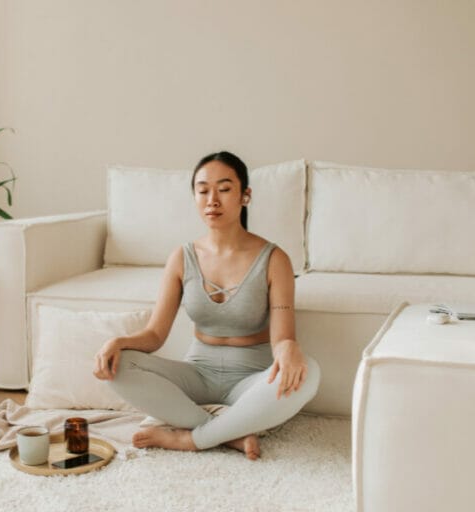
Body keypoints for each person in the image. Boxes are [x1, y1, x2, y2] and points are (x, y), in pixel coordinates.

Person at [93, 151, 320, 460]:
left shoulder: (274, 259)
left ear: (245, 195)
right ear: (195, 197)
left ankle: (191, 439)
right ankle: (229, 435)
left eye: (224, 189)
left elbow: (281, 339)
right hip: (197, 376)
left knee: (310, 373)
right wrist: (118, 342)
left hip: (251, 379)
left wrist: (290, 348)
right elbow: (155, 335)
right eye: (203, 190)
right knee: (118, 366)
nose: (212, 199)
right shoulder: (181, 257)